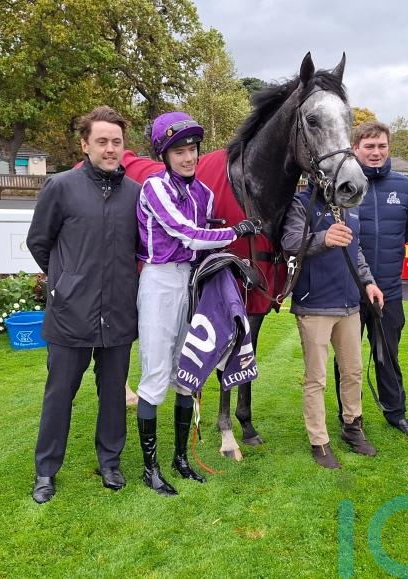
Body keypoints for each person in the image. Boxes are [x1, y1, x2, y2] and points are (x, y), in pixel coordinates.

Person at [135, 111, 259, 496]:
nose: (188, 158)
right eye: (179, 151)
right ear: (164, 155)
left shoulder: (203, 193)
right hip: (158, 281)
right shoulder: (155, 187)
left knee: (185, 373)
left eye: (192, 150)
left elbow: (207, 239)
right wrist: (235, 231)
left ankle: (180, 459)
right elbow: (188, 234)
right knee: (156, 374)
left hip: (190, 282)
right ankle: (150, 467)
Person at [26, 106, 140, 504]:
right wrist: (67, 280)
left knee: (113, 394)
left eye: (117, 142)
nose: (110, 149)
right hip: (70, 314)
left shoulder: (136, 194)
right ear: (85, 143)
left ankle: (110, 462)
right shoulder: (61, 186)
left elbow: (142, 248)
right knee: (60, 393)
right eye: (102, 141)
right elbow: (39, 242)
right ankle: (46, 471)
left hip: (120, 312)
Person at [282, 186, 384, 469]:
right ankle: (319, 440)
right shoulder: (301, 201)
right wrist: (323, 238)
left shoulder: (350, 202)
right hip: (314, 304)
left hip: (350, 303)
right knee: (317, 378)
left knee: (352, 371)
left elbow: (356, 250)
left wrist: (368, 282)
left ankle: (353, 427)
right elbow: (289, 242)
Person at [333, 121, 408, 438]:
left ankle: (396, 413)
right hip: (349, 290)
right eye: (369, 146)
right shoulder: (341, 184)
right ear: (356, 148)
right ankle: (349, 416)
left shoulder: (404, 187)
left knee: (388, 355)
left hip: (389, 290)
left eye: (381, 146)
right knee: (347, 360)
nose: (376, 152)